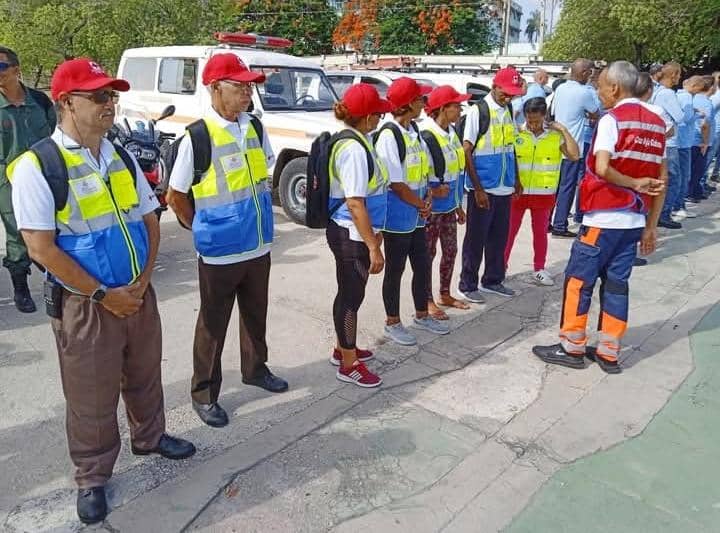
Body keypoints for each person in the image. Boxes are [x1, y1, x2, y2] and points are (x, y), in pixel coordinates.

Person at [7, 58, 195, 525]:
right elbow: (40, 248)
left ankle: (149, 437)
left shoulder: (121, 156)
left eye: (111, 95)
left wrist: (143, 281)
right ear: (66, 103)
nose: (109, 103)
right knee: (90, 396)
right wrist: (104, 296)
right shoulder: (39, 166)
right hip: (86, 304)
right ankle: (92, 475)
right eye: (97, 96)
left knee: (145, 374)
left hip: (138, 292)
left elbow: (150, 220)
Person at [166, 54, 288, 429]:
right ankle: (204, 393)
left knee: (255, 314)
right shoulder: (197, 137)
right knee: (212, 324)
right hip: (220, 252)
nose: (247, 93)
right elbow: (175, 195)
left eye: (250, 86)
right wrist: (201, 228)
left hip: (258, 245)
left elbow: (261, 177)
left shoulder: (254, 127)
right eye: (240, 86)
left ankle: (255, 369)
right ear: (215, 88)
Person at [533, 61, 667, 375]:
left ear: (615, 88)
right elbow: (663, 180)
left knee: (579, 282)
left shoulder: (612, 120)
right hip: (633, 222)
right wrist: (651, 226)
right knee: (617, 286)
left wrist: (633, 183)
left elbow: (603, 168)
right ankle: (609, 351)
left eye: (601, 86)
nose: (598, 92)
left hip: (603, 220)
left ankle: (572, 346)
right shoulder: (657, 124)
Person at [324, 83, 391, 387]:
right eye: (378, 114)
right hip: (350, 234)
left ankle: (344, 348)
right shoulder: (353, 149)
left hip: (355, 232)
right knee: (351, 297)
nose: (380, 118)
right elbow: (354, 203)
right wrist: (373, 246)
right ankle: (348, 364)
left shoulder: (359, 141)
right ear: (366, 117)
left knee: (350, 293)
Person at [374, 77, 449, 346]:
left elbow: (423, 169)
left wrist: (427, 196)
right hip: (397, 215)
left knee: (422, 264)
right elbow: (395, 182)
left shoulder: (413, 129)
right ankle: (392, 322)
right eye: (420, 99)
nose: (424, 104)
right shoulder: (389, 135)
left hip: (417, 212)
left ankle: (421, 314)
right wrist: (420, 203)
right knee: (395, 269)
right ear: (407, 104)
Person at [459, 67, 524, 301]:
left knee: (499, 238)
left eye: (512, 94)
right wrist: (478, 189)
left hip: (504, 185)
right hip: (484, 187)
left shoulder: (508, 109)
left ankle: (493, 280)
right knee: (475, 239)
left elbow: (511, 146)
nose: (508, 98)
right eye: (505, 93)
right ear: (494, 87)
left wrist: (516, 178)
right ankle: (468, 285)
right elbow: (467, 151)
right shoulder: (479, 111)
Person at [0, 46, 56, 312]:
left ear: (16, 69)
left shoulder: (40, 102)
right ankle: (20, 288)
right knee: (16, 233)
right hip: (5, 182)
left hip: (42, 176)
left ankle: (57, 279)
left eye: (1, 67)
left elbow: (57, 136)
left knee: (49, 227)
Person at [504, 97, 579, 286]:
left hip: (543, 194)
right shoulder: (516, 133)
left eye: (537, 121)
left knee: (540, 233)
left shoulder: (555, 136)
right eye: (529, 120)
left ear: (544, 116)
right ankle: (501, 267)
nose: (533, 125)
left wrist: (564, 130)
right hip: (517, 193)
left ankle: (539, 269)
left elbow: (574, 155)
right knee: (509, 233)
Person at [421, 85, 472, 319]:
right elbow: (418, 174)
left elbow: (456, 172)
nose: (460, 110)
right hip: (431, 208)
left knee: (450, 250)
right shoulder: (427, 136)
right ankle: (426, 300)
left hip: (450, 206)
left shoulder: (452, 132)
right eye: (457, 106)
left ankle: (445, 293)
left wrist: (459, 205)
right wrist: (432, 190)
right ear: (443, 108)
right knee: (428, 254)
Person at [549, 58, 599, 238]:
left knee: (555, 186)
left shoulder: (561, 88)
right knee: (567, 187)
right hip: (573, 147)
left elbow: (553, 112)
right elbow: (596, 112)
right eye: (590, 72)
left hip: (556, 143)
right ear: (585, 72)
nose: (591, 76)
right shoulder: (584, 92)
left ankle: (547, 221)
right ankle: (560, 225)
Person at [649, 62, 686, 229]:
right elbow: (679, 117)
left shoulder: (657, 91)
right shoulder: (668, 93)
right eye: (679, 74)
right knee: (673, 179)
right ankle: (664, 214)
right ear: (673, 75)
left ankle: (656, 213)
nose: (680, 78)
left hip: (659, 139)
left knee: (661, 178)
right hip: (669, 142)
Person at [674, 77, 702, 219]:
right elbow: (686, 118)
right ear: (694, 86)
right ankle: (678, 206)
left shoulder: (678, 95)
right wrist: (698, 114)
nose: (699, 91)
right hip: (683, 142)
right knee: (684, 175)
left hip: (680, 140)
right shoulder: (686, 98)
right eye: (699, 88)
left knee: (680, 175)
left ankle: (678, 205)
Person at [687, 75, 714, 202]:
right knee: (697, 170)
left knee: (688, 170)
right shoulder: (707, 103)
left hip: (689, 140)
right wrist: (705, 142)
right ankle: (692, 194)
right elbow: (704, 125)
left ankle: (690, 193)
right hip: (699, 142)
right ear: (711, 87)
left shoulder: (691, 98)